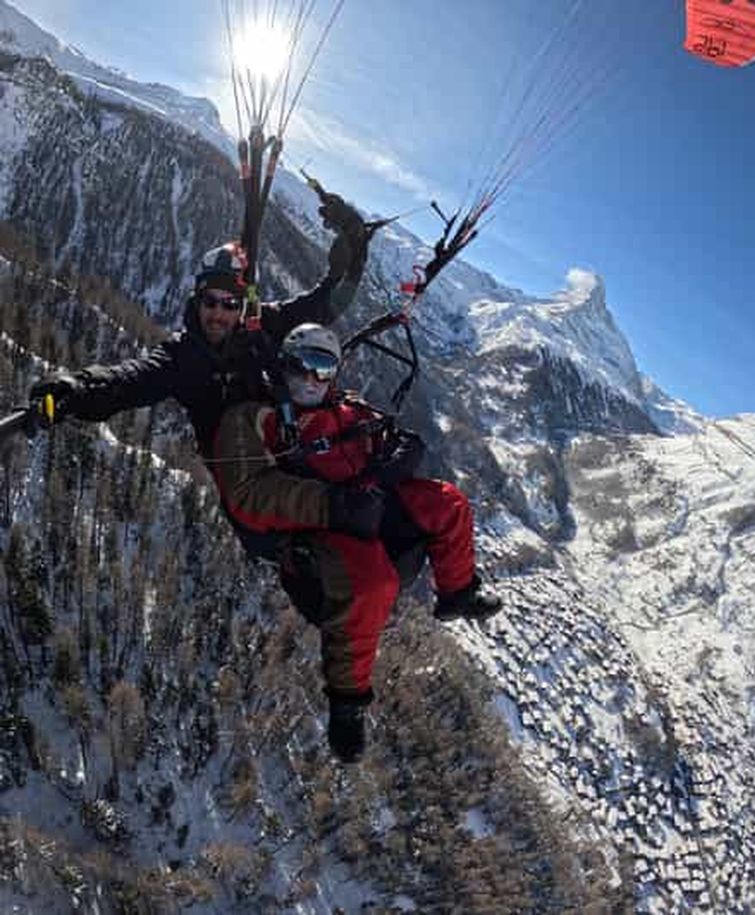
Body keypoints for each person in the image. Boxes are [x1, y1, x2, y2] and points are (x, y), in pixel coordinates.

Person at [213, 323, 502, 764]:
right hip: (316, 528)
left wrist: (399, 455)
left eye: (324, 368)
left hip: (365, 504)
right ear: (284, 365)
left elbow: (376, 441)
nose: (312, 380)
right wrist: (332, 504)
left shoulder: (347, 410)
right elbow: (249, 493)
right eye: (303, 366)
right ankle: (347, 702)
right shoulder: (256, 416)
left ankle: (457, 593)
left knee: (448, 503)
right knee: (372, 583)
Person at [28, 195, 369, 467]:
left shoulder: (263, 324)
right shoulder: (183, 357)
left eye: (230, 304)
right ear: (197, 300)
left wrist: (355, 251)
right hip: (247, 473)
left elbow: (327, 304)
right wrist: (76, 390)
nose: (218, 314)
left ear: (245, 306)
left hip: (290, 445)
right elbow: (128, 381)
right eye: (210, 301)